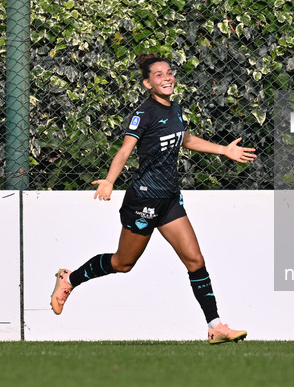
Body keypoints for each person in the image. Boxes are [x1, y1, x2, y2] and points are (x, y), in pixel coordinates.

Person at [50, 53, 257, 344]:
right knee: (123, 263)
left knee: (195, 261)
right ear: (148, 83)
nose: (167, 77)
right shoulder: (144, 113)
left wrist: (224, 150)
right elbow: (125, 151)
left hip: (169, 199)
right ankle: (69, 279)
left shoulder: (176, 110)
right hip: (144, 199)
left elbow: (185, 139)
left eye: (169, 72)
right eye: (158, 75)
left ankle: (215, 326)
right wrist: (110, 180)